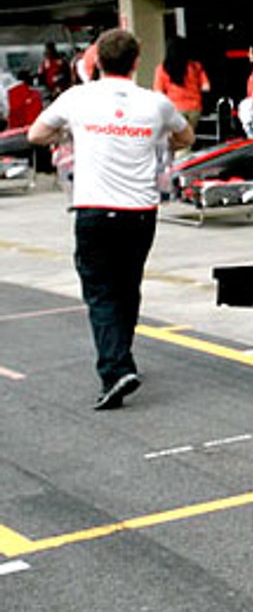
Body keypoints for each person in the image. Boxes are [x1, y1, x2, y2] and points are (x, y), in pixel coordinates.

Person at [27, 28, 193, 409]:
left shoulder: (78, 97)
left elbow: (37, 133)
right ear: (136, 63)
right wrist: (155, 139)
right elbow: (186, 137)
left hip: (95, 209)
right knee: (127, 285)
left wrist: (71, 134)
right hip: (140, 213)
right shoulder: (156, 103)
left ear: (98, 62)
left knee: (100, 293)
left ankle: (116, 369)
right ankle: (122, 356)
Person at [154, 39, 212, 131]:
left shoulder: (162, 69)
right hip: (194, 108)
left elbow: (158, 92)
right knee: (187, 137)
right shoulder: (195, 66)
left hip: (174, 109)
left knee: (176, 140)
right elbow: (206, 87)